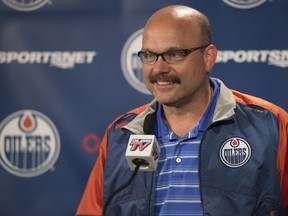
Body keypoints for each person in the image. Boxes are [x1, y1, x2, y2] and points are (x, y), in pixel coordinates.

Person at [76, 5, 288, 216]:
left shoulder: (271, 124)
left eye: (174, 54)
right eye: (149, 55)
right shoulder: (121, 135)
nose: (159, 69)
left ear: (208, 57)